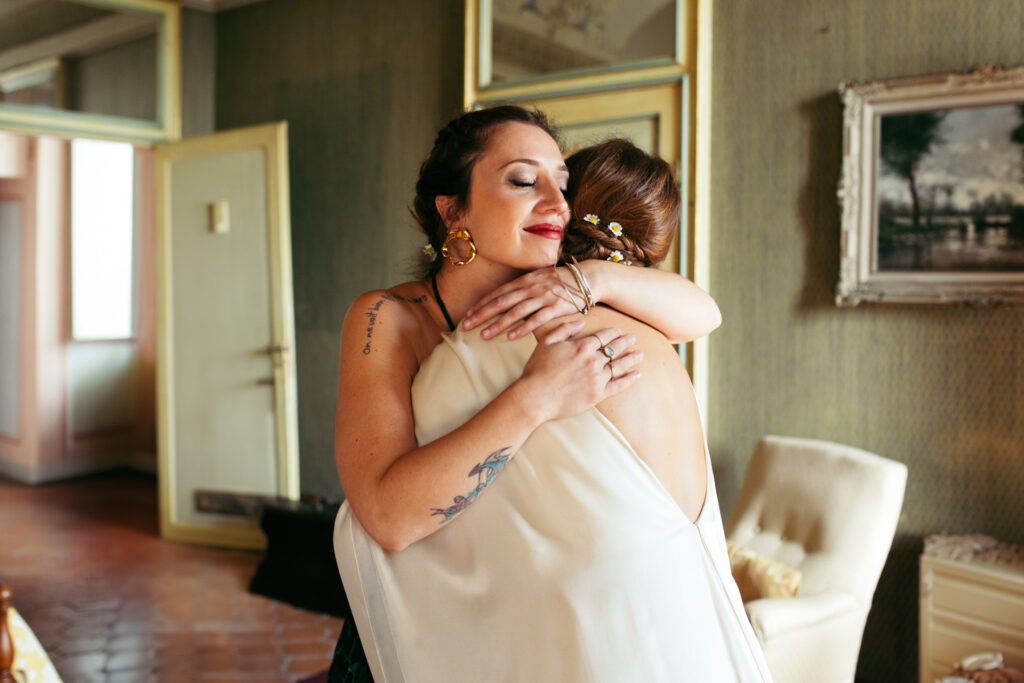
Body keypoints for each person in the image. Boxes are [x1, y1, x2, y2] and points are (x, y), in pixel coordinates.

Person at [330, 107, 769, 682]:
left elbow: (704, 313)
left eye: (562, 184)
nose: (557, 204)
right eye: (521, 179)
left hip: (530, 635)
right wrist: (537, 396)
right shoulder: (388, 318)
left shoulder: (573, 303)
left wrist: (595, 278)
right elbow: (386, 515)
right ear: (452, 207)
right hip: (424, 622)